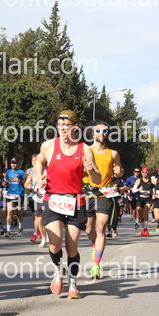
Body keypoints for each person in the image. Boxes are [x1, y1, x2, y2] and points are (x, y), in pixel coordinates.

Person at [34, 110, 100, 299]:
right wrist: (39, 177)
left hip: (75, 202)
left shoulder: (84, 149)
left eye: (66, 125)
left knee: (72, 247)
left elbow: (97, 179)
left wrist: (92, 170)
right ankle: (57, 274)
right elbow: (39, 161)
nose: (62, 129)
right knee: (55, 244)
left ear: (75, 127)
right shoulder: (49, 145)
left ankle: (73, 284)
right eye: (59, 125)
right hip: (52, 200)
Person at [82, 120, 123, 279]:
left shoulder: (113, 153)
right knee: (89, 230)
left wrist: (119, 171)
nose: (101, 133)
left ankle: (96, 265)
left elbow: (119, 171)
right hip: (88, 193)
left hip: (104, 193)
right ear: (92, 133)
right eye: (98, 130)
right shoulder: (85, 150)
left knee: (101, 227)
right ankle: (95, 246)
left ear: (108, 134)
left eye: (105, 131)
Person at [24, 154, 47, 247]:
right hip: (37, 198)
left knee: (49, 218)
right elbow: (26, 183)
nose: (35, 162)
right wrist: (29, 187)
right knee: (39, 219)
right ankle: (43, 238)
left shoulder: (48, 170)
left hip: (48, 197)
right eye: (34, 160)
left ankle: (49, 236)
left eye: (37, 160)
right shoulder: (32, 172)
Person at [3, 158, 26, 238]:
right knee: (9, 212)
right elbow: (6, 181)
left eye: (15, 163)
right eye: (12, 163)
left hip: (19, 194)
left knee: (18, 212)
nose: (13, 164)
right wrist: (4, 183)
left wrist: (19, 180)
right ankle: (8, 231)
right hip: (10, 194)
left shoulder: (21, 172)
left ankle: (20, 227)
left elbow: (26, 183)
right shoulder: (8, 172)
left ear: (17, 164)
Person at [133, 167, 153, 236]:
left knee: (146, 212)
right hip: (140, 199)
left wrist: (154, 194)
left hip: (148, 199)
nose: (144, 173)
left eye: (146, 172)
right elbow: (133, 190)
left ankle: (145, 228)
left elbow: (156, 188)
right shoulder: (139, 180)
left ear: (148, 173)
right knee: (140, 215)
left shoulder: (151, 181)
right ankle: (144, 228)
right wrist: (138, 189)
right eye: (142, 172)